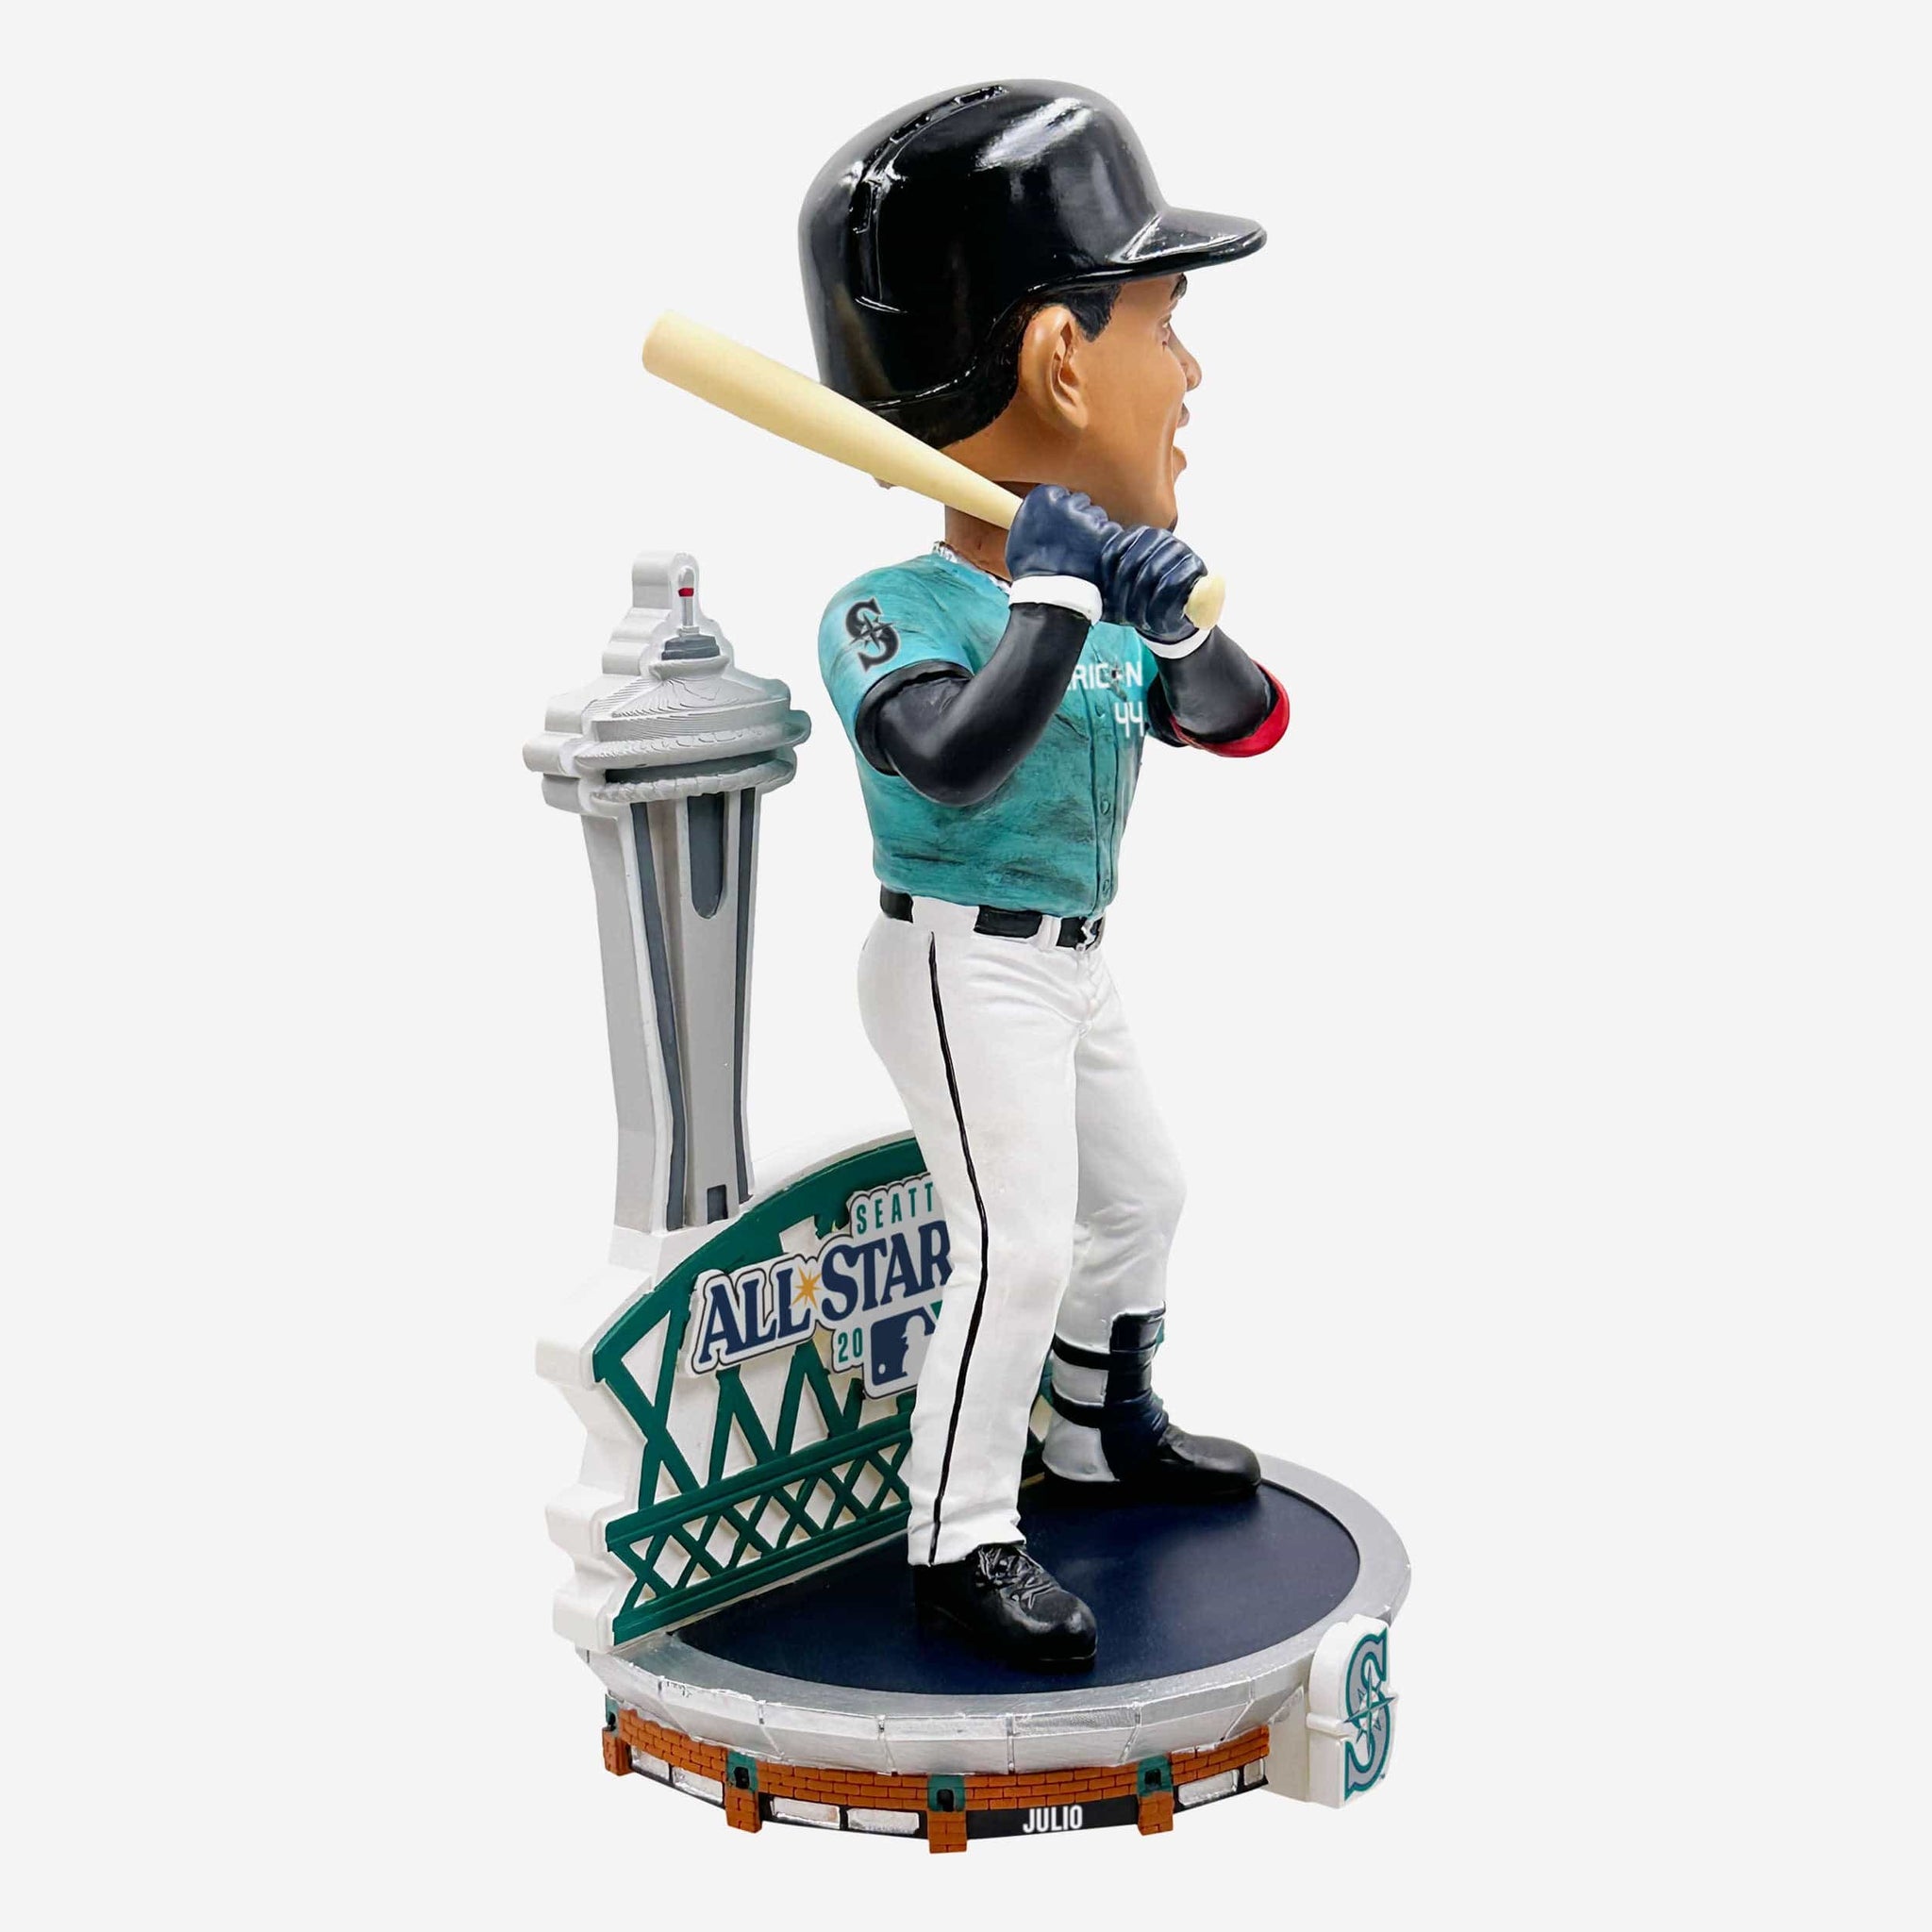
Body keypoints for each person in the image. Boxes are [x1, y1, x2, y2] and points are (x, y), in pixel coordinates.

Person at [804, 82, 1289, 1669]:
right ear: (1060, 360)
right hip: (961, 962)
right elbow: (951, 761)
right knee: (1014, 1247)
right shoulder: (891, 605)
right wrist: (1057, 605)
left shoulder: (1093, 594)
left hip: (1076, 955)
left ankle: (1096, 1431)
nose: (1191, 371)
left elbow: (1248, 720)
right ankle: (957, 1539)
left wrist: (1174, 619)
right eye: (1164, 324)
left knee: (1141, 1197)